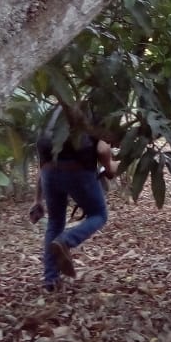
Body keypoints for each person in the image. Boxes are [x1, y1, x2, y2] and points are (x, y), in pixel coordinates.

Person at [32, 109, 118, 291]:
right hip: (78, 171)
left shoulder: (51, 115)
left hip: (49, 173)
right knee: (99, 214)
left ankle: (50, 280)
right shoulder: (91, 112)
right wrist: (109, 168)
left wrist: (37, 200)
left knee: (55, 222)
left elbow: (42, 161)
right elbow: (103, 149)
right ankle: (66, 240)